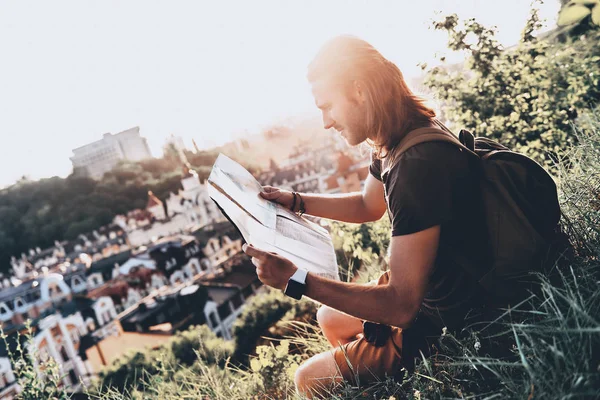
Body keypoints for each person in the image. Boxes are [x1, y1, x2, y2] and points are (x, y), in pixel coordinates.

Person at [242, 35, 490, 398]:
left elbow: (402, 306)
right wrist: (294, 200)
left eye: (328, 107)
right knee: (328, 317)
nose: (326, 122)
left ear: (359, 91)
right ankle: (381, 381)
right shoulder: (398, 136)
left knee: (308, 380)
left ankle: (406, 372)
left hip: (448, 319)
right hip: (437, 289)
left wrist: (294, 279)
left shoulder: (415, 166)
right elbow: (367, 206)